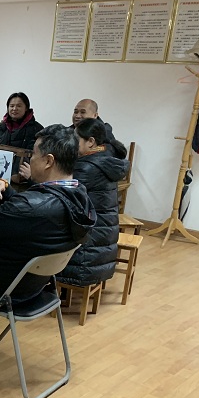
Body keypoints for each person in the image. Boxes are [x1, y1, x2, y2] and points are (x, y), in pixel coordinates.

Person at [0, 124, 96, 327]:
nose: (29, 160)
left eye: (33, 154)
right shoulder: (79, 198)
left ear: (49, 161)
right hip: (32, 287)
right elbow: (30, 209)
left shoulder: (31, 207)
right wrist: (5, 187)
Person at [56, 118, 129, 287]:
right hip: (101, 244)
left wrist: (33, 178)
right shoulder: (106, 157)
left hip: (86, 254)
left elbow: (63, 194)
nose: (72, 144)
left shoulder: (88, 167)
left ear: (90, 141)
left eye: (76, 139)